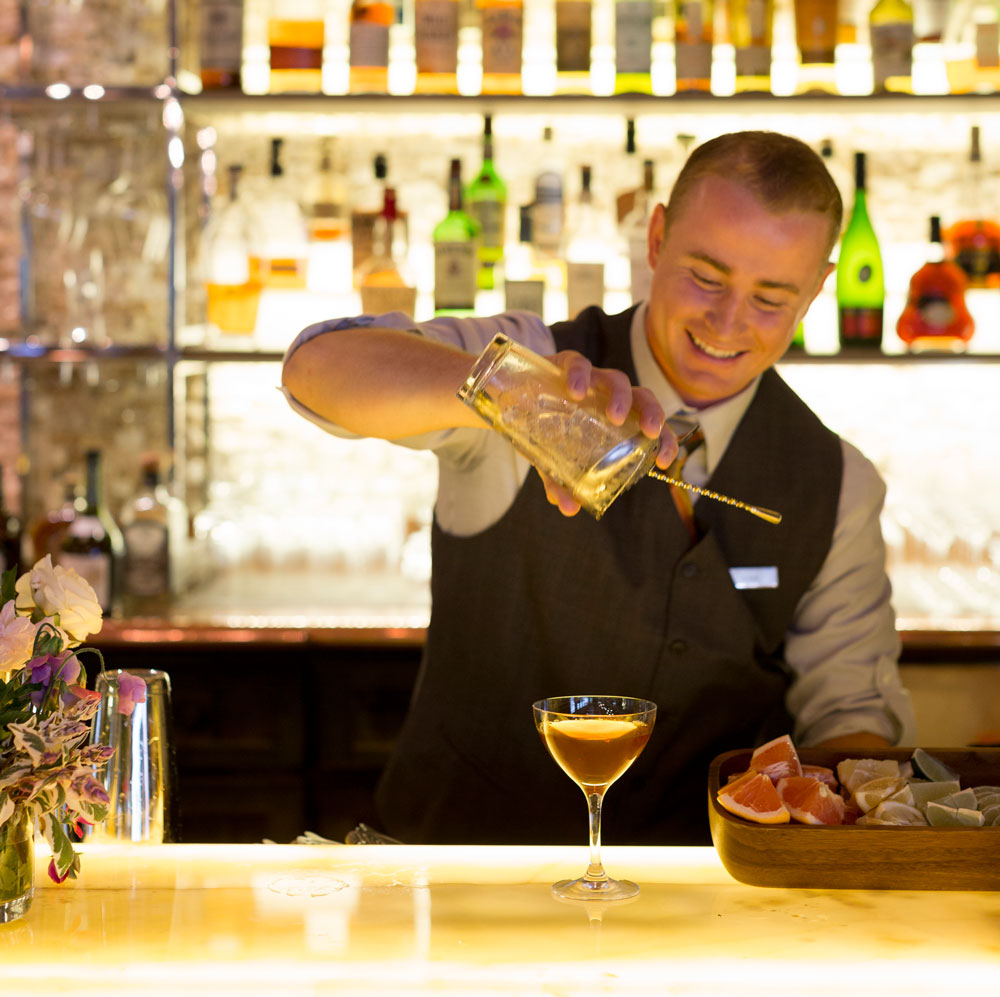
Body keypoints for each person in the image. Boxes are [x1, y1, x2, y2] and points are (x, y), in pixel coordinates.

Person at [281, 130, 916, 845]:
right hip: (464, 866)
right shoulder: (536, 359)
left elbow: (850, 715)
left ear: (817, 291)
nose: (727, 323)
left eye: (771, 297)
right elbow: (315, 371)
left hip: (703, 886)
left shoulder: (839, 483)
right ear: (656, 239)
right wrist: (517, 396)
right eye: (706, 278)